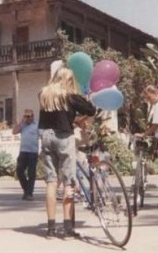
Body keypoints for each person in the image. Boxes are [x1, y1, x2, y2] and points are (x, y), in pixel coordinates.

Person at [38, 67, 96, 239]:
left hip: (47, 136)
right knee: (68, 182)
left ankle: (50, 229)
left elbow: (56, 115)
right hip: (64, 137)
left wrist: (73, 118)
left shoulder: (43, 93)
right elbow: (91, 109)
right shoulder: (70, 96)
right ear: (69, 80)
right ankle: (68, 228)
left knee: (51, 181)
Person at [13, 108, 39, 201]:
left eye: (29, 116)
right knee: (19, 171)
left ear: (32, 116)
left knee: (31, 173)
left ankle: (29, 193)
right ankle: (26, 190)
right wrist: (20, 122)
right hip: (23, 151)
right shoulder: (23, 125)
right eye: (26, 116)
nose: (27, 118)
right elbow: (14, 132)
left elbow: (42, 135)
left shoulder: (37, 125)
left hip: (33, 152)